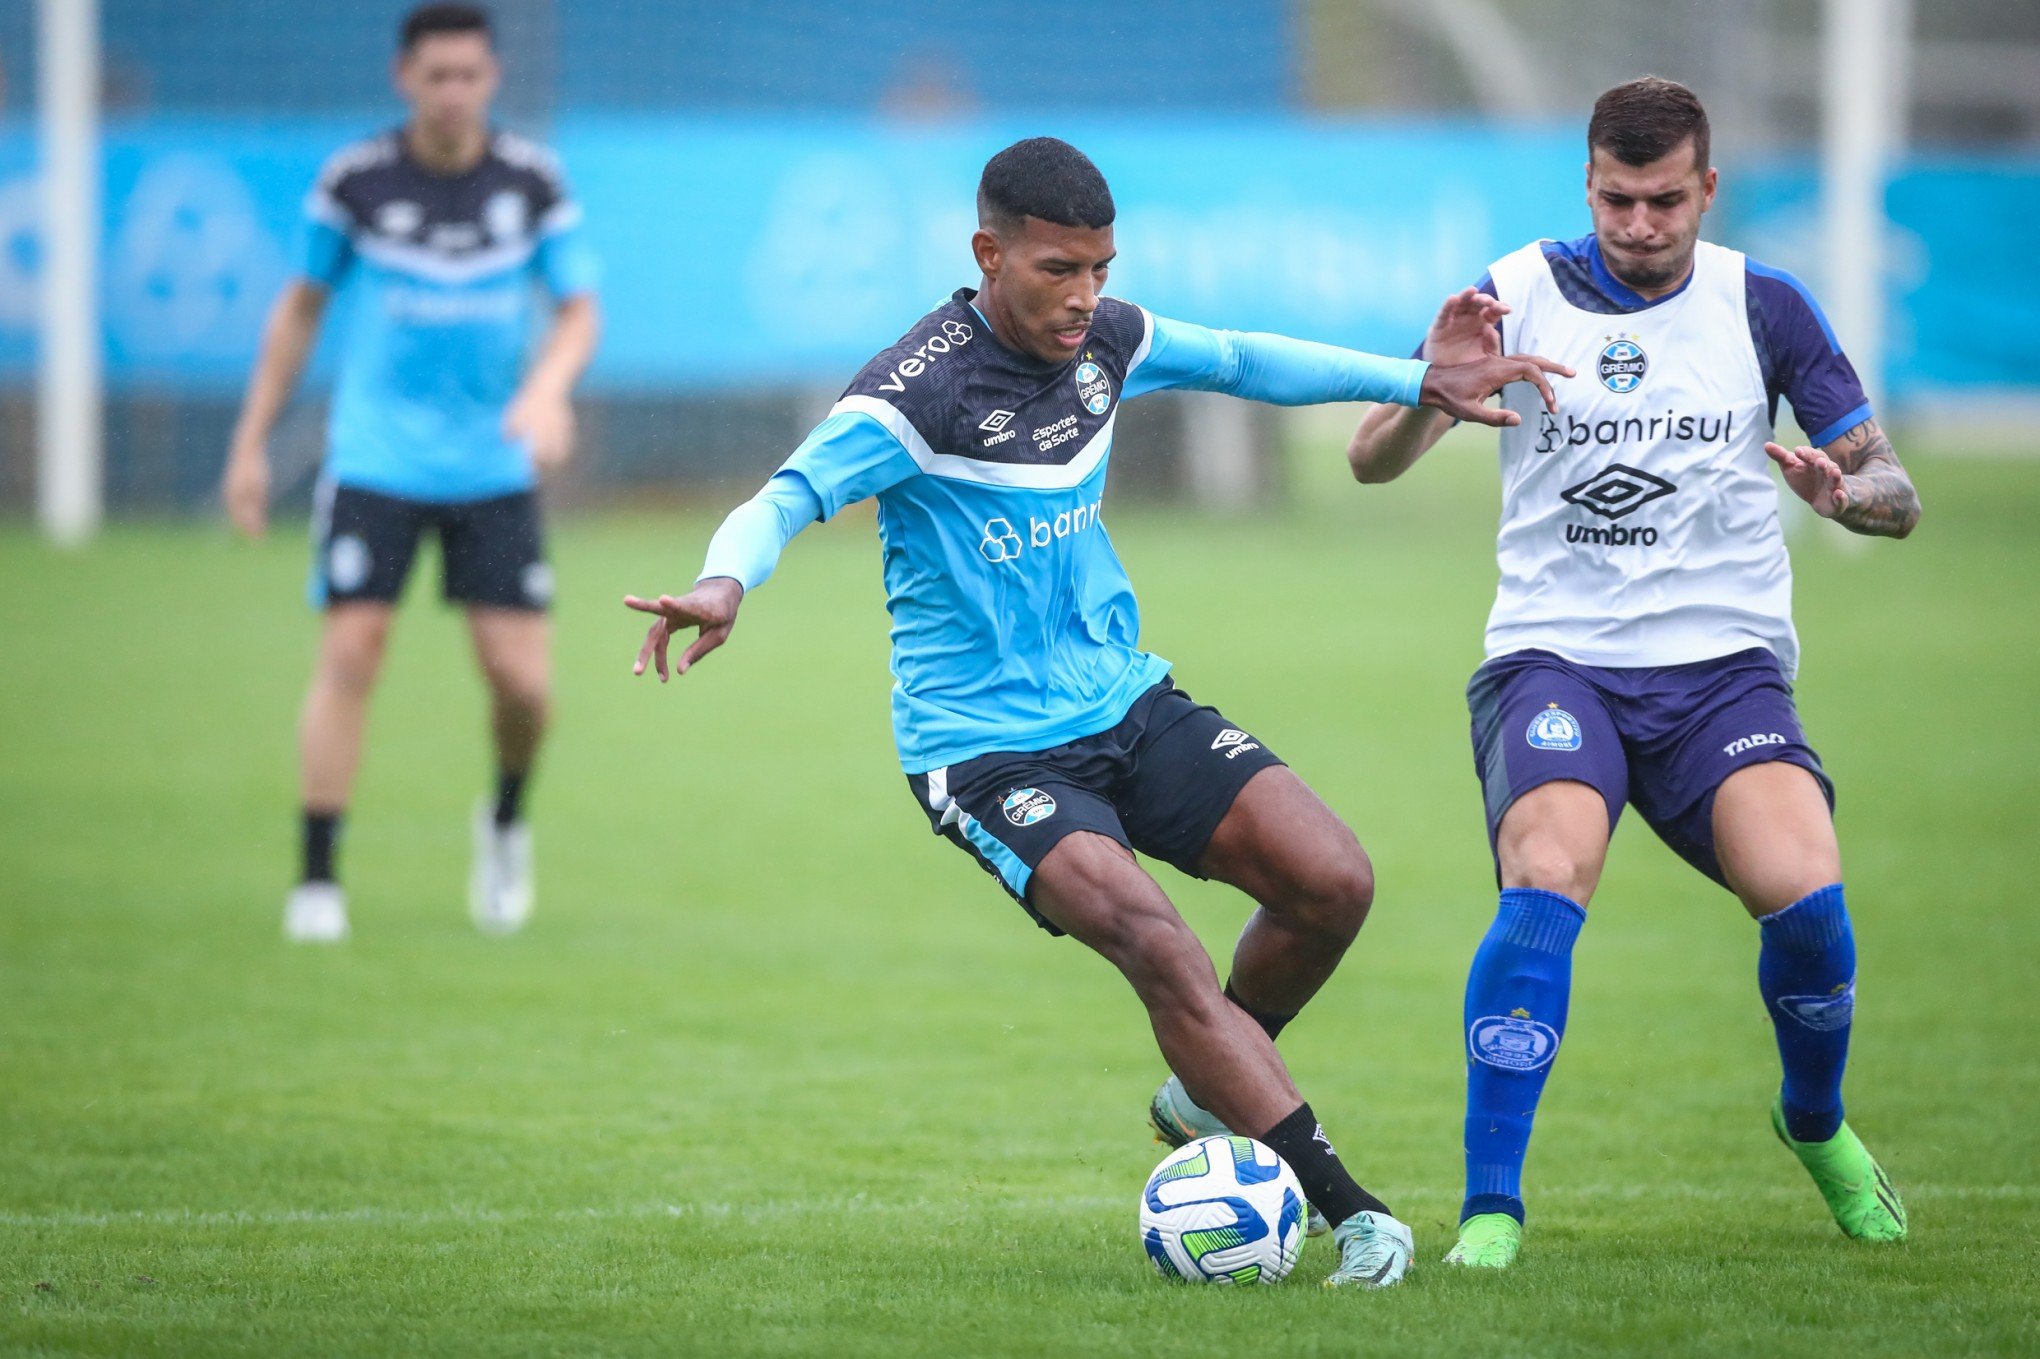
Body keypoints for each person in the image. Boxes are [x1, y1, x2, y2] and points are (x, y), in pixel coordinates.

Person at [626, 136, 1566, 1288]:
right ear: (989, 253)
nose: (1084, 299)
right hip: (983, 752)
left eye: (1101, 270)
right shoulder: (913, 393)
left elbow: (1238, 358)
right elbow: (780, 498)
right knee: (1154, 938)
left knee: (1332, 883)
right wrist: (725, 582)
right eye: (1058, 269)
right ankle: (1351, 1213)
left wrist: (1412, 378)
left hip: (1123, 699)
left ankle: (1202, 1085)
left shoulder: (1107, 343)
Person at [1346, 76, 1920, 1269]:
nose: (1642, 224)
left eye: (1666, 201)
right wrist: (1434, 393)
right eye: (1618, 199)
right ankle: (1493, 1209)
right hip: (1556, 659)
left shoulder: (1764, 304)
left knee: (1809, 901)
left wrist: (1843, 492)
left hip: (1722, 672)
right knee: (1548, 870)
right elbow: (1370, 460)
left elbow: (1898, 496)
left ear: (1707, 189)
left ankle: (1813, 1122)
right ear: (1590, 186)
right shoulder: (1508, 295)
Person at [221, 2, 600, 942]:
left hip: (491, 465)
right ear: (405, 79)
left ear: (491, 80)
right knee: (352, 652)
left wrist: (547, 390)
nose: (452, 92)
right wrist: (250, 441)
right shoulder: (356, 181)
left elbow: (579, 309)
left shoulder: (531, 181)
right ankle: (317, 878)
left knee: (522, 685)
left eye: (469, 75)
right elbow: (301, 309)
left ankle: (505, 820)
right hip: (378, 458)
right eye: (436, 76)